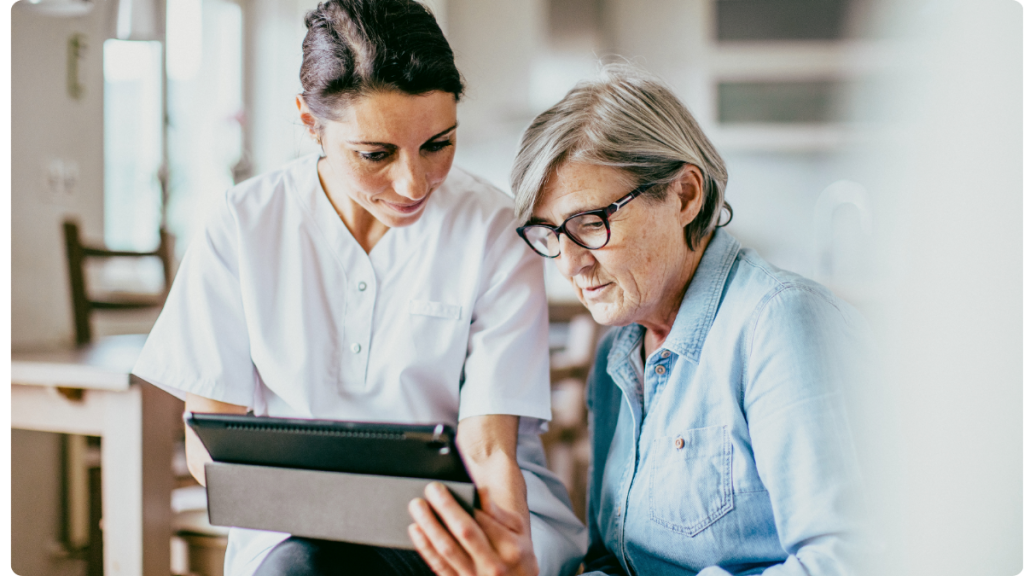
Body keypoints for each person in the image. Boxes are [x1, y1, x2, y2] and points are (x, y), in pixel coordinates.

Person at [131, 1, 585, 575]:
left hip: (469, 514)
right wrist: (337, 511)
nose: (413, 182)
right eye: (376, 154)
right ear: (308, 122)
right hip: (298, 532)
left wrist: (505, 552)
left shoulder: (493, 228)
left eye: (438, 144)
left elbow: (490, 447)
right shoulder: (243, 222)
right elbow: (212, 444)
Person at [506, 64, 873, 575]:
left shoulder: (779, 323)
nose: (569, 263)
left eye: (591, 223)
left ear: (685, 195)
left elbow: (848, 562)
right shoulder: (620, 354)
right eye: (549, 234)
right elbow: (615, 559)